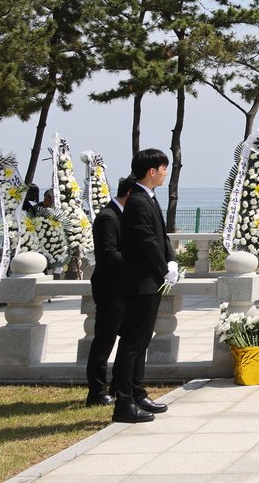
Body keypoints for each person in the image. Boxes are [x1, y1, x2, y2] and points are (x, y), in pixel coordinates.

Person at [110, 149, 178, 424]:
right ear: (151, 171)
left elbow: (161, 238)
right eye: (163, 169)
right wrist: (164, 268)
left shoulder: (147, 198)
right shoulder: (138, 201)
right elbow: (146, 241)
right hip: (141, 282)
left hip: (152, 282)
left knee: (141, 342)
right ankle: (123, 402)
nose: (165, 174)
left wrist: (171, 261)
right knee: (132, 344)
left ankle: (138, 392)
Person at [86, 176, 133, 406]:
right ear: (130, 195)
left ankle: (118, 384)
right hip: (110, 288)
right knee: (104, 341)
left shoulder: (122, 216)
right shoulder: (108, 217)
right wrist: (138, 262)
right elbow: (108, 254)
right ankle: (96, 391)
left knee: (127, 339)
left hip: (125, 287)